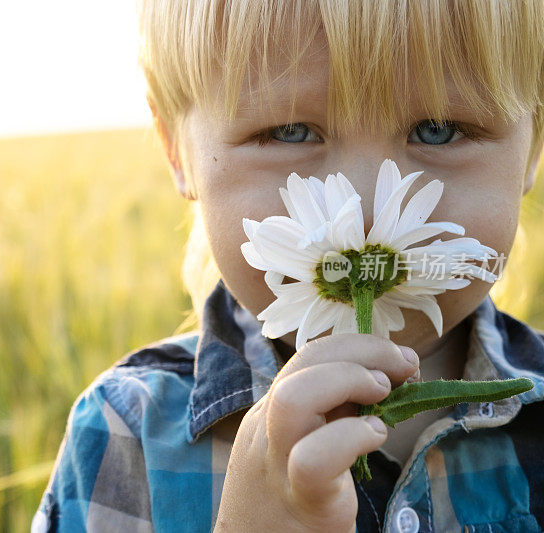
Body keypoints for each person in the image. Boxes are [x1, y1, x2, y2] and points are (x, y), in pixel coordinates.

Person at [32, 0, 544, 531]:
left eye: (438, 129)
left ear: (534, 146)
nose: (364, 208)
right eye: (290, 132)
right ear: (176, 152)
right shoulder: (125, 437)